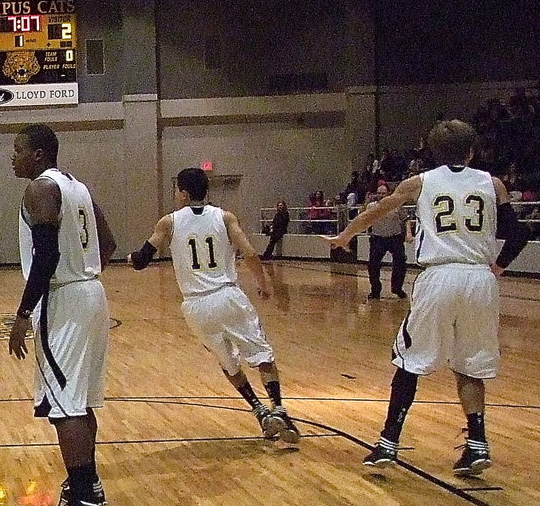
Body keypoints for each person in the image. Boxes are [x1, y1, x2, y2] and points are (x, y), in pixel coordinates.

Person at [324, 120, 531, 474]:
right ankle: (478, 445)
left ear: (432, 153)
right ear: (471, 151)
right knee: (470, 365)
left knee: (409, 361)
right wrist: (497, 267)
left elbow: (377, 211)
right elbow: (518, 234)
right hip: (480, 281)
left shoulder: (419, 182)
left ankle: (388, 442)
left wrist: (346, 235)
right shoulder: (492, 183)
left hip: (439, 276)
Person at [130, 167, 301, 449]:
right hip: (228, 296)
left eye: (176, 191)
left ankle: (259, 411)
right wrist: (264, 283)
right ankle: (280, 410)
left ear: (184, 194)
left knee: (228, 363)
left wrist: (132, 258)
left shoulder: (168, 223)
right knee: (262, 355)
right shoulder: (224, 217)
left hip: (196, 306)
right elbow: (249, 252)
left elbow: (142, 259)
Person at [8, 123, 116, 506]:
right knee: (80, 400)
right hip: (92, 293)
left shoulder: (39, 189)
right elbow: (106, 244)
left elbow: (47, 254)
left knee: (63, 406)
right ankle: (88, 489)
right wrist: (84, 270)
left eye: (18, 150)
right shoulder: (79, 188)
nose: (12, 157)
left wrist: (22, 314)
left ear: (38, 154)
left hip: (65, 298)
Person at [364, 190, 410, 299]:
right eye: (379, 193)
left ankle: (397, 288)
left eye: (383, 193)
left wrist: (408, 233)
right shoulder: (371, 206)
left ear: (388, 194)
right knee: (373, 265)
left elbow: (406, 219)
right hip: (378, 238)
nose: (381, 195)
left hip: (395, 237)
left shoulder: (397, 204)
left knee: (400, 261)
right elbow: (363, 218)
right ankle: (375, 290)